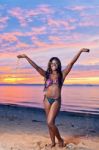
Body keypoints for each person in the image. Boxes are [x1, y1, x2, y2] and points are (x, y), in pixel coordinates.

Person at [17, 48, 90, 148]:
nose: (53, 65)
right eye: (52, 63)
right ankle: (53, 142)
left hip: (56, 100)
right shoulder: (46, 75)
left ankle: (60, 139)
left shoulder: (62, 74)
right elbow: (36, 67)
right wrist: (26, 57)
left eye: (55, 63)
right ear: (50, 65)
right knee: (50, 123)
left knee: (50, 122)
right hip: (46, 100)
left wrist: (80, 51)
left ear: (58, 64)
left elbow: (71, 63)